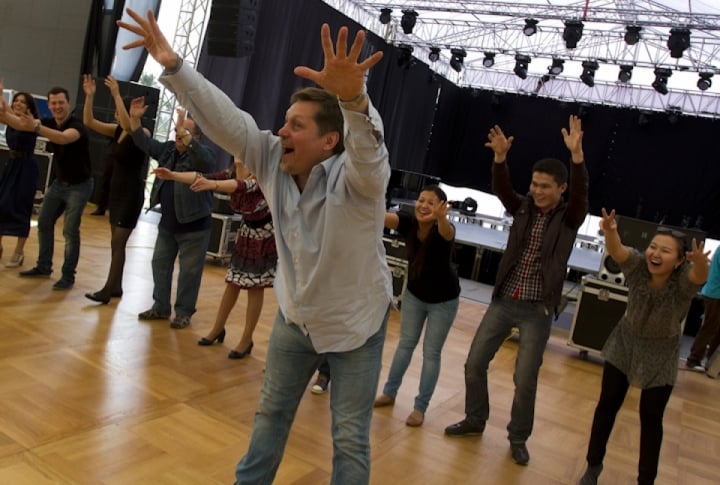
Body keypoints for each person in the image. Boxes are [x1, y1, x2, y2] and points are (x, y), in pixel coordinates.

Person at [118, 10, 391, 484]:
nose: (281, 132)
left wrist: (354, 99)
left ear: (329, 141)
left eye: (296, 126)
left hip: (356, 328)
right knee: (270, 417)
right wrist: (176, 66)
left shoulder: (360, 182)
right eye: (284, 122)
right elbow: (228, 120)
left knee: (349, 438)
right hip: (296, 318)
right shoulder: (270, 157)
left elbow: (370, 154)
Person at [444, 117, 588, 467]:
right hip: (505, 300)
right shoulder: (522, 207)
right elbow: (504, 188)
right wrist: (499, 160)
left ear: (561, 189)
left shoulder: (570, 218)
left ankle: (518, 437)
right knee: (474, 363)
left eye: (545, 186)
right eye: (535, 185)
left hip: (537, 309)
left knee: (525, 379)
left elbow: (583, 195)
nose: (537, 191)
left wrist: (577, 159)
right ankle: (476, 419)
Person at [579, 211, 709, 485]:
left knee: (651, 418)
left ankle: (645, 481)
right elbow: (618, 251)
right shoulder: (638, 267)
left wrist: (700, 264)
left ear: (679, 260)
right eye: (653, 247)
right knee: (607, 405)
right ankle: (593, 466)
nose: (655, 253)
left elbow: (698, 276)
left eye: (665, 251)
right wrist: (611, 231)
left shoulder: (682, 281)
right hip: (625, 341)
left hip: (661, 352)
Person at [153, 156, 277, 357]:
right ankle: (217, 328)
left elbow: (240, 186)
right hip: (247, 232)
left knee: (255, 288)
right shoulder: (231, 173)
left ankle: (246, 340)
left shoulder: (261, 178)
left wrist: (212, 184)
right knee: (233, 283)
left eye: (242, 151)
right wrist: (173, 175)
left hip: (263, 235)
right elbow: (200, 177)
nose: (237, 154)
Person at [373, 185, 460, 427]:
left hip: (444, 301)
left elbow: (447, 232)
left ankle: (420, 407)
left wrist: (442, 218)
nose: (423, 205)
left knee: (431, 353)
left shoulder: (444, 228)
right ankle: (389, 393)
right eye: (421, 200)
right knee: (405, 345)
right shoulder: (410, 222)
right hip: (414, 295)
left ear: (441, 207)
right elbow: (381, 217)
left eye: (431, 202)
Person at [128, 101, 215, 329]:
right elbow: (143, 142)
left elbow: (204, 162)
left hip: (195, 227)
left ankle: (184, 312)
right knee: (160, 264)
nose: (178, 136)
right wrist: (135, 119)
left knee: (189, 273)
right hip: (168, 224)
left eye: (184, 133)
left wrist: (181, 130)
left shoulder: (203, 156)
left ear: (196, 138)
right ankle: (160, 307)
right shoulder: (167, 149)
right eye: (177, 132)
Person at [15, 86, 93, 290]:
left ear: (68, 104)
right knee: (43, 223)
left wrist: (35, 127)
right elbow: (20, 124)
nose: (57, 106)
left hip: (79, 185)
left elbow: (63, 138)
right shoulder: (49, 122)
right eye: (53, 103)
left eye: (61, 102)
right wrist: (5, 113)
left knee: (69, 231)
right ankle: (43, 266)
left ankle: (68, 276)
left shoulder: (77, 126)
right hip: (59, 183)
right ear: (49, 105)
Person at [81, 74, 150, 303]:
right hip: (117, 193)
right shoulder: (117, 131)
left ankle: (107, 290)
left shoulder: (142, 133)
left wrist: (116, 94)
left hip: (131, 195)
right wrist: (90, 97)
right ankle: (117, 287)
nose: (119, 115)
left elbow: (131, 125)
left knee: (118, 243)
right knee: (116, 244)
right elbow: (89, 122)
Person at [0, 86, 39, 268]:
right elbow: (6, 111)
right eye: (16, 100)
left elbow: (11, 118)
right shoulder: (13, 118)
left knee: (22, 208)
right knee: (1, 204)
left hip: (26, 168)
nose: (17, 103)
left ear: (29, 107)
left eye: (22, 102)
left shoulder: (30, 122)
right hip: (12, 165)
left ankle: (19, 251)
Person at [685, 248, 720, 371]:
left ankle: (713, 364)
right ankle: (693, 359)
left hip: (714, 293)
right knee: (709, 328)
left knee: (716, 331)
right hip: (715, 294)